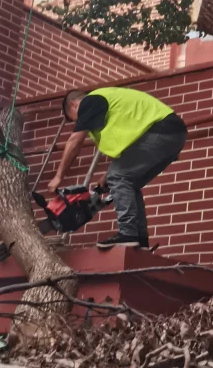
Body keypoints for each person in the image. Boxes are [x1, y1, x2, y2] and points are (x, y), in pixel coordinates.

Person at [60, 86, 187, 250]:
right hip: (173, 135)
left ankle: (128, 234)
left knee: (119, 177)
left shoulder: (90, 101)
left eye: (75, 118)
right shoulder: (111, 102)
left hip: (160, 131)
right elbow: (130, 148)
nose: (80, 121)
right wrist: (108, 176)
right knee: (128, 181)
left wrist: (58, 177)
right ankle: (140, 240)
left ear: (74, 104)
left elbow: (74, 141)